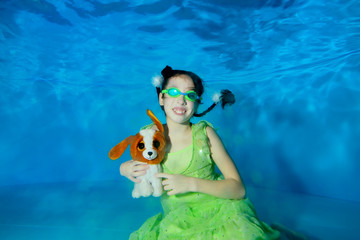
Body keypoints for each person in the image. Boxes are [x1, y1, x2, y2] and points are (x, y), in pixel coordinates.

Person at [119, 66, 297, 239]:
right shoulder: (149, 135)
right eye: (173, 92)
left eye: (190, 95)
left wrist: (190, 184)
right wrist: (125, 168)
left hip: (221, 213)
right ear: (161, 98)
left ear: (196, 103)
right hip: (177, 223)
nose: (181, 100)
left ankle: (278, 234)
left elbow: (238, 189)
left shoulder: (205, 135)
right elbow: (137, 162)